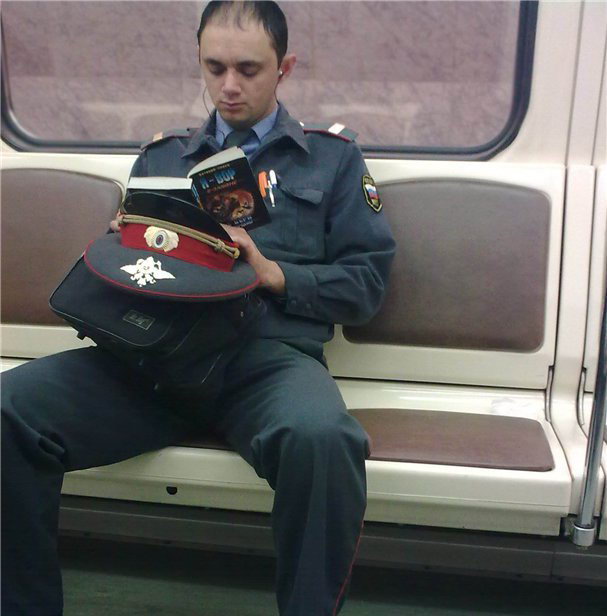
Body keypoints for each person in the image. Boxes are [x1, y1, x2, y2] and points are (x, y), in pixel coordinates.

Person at [1, 2, 395, 615]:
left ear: (285, 68)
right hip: (153, 362)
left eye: (248, 69)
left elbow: (366, 285)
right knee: (8, 409)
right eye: (214, 68)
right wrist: (125, 250)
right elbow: (131, 281)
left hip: (265, 363)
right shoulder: (161, 159)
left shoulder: (332, 160)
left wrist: (273, 274)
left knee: (323, 440)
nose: (228, 86)